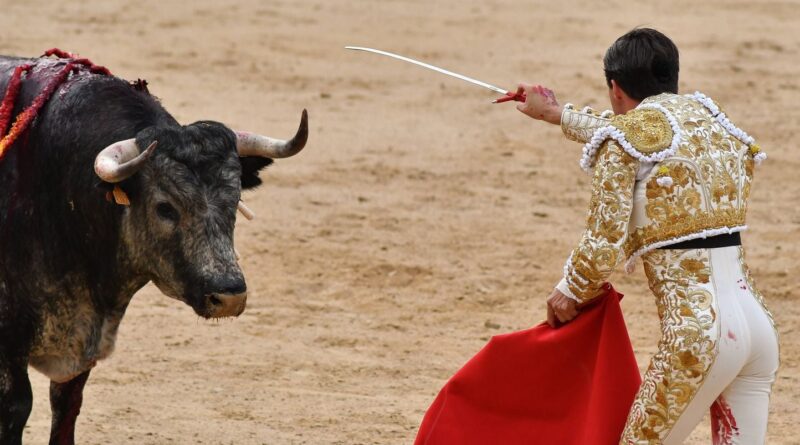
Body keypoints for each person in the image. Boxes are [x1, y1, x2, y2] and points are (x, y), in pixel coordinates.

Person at [514, 28, 779, 444]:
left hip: (698, 338)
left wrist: (570, 289)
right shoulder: (710, 121)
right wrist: (556, 113)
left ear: (615, 89)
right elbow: (636, 132)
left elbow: (604, 245)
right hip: (759, 330)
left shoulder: (626, 141)